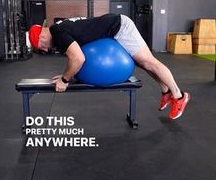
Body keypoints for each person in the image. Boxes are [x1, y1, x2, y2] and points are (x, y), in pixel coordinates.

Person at [29, 13, 190, 120]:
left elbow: (78, 58)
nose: (44, 49)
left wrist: (65, 80)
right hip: (115, 30)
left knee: (149, 62)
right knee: (143, 63)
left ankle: (179, 96)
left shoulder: (58, 33)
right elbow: (75, 55)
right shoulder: (58, 28)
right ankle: (166, 91)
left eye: (40, 46)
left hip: (120, 28)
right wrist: (65, 76)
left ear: (42, 35)